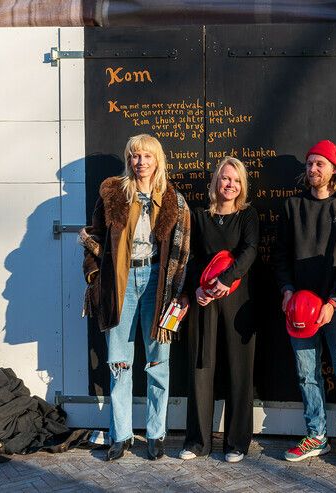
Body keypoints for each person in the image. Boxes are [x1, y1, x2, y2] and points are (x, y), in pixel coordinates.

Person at [80, 134, 191, 462]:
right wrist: (94, 275)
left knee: (158, 362)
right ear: (128, 160)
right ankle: (121, 434)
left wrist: (179, 291)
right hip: (122, 281)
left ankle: (156, 434)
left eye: (146, 156)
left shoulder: (174, 200)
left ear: (158, 160)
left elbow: (183, 253)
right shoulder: (113, 195)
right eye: (134, 156)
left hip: (158, 282)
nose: (140, 162)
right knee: (119, 362)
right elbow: (94, 237)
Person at [273, 140, 336, 470]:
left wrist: (334, 299)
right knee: (306, 374)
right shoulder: (292, 207)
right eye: (310, 163)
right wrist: (286, 290)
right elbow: (280, 256)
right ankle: (316, 435)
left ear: (333, 170)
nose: (313, 169)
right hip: (298, 308)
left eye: (320, 164)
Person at [179, 157, 259, 463]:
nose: (230, 185)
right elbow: (191, 254)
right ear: (215, 182)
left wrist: (226, 280)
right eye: (225, 179)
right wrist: (195, 289)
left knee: (240, 369)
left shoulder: (248, 215)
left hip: (238, 299)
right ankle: (197, 441)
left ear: (242, 185)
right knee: (201, 366)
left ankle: (237, 442)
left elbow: (249, 250)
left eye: (236, 180)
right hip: (203, 298)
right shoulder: (199, 215)